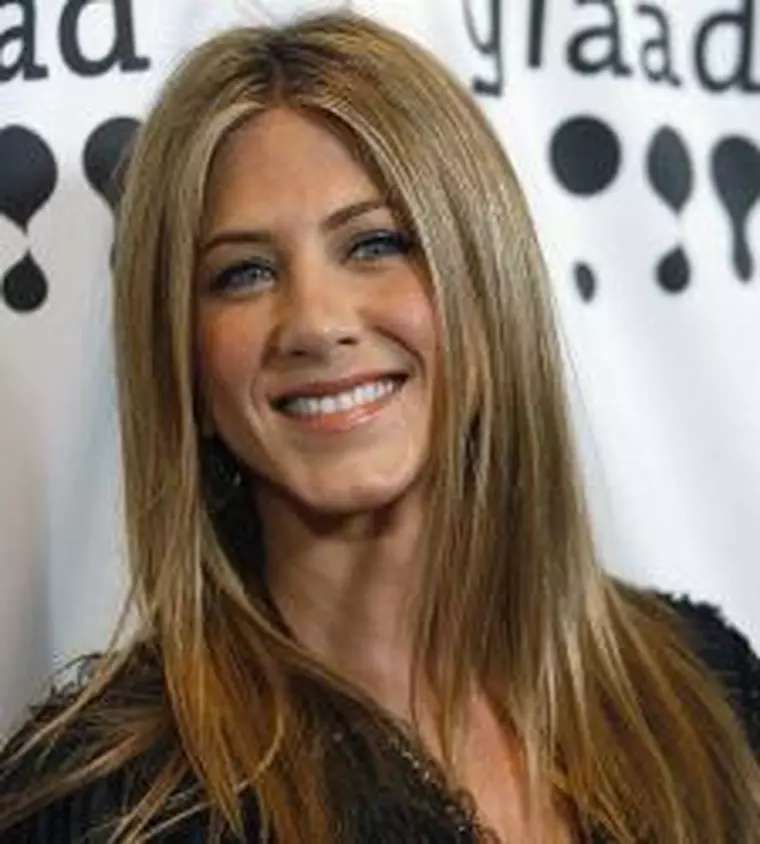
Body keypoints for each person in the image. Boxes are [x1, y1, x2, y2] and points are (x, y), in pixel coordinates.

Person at [1, 11, 759, 844]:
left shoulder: (707, 691)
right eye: (244, 273)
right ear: (186, 367)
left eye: (375, 244)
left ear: (490, 294)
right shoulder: (108, 805)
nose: (316, 323)